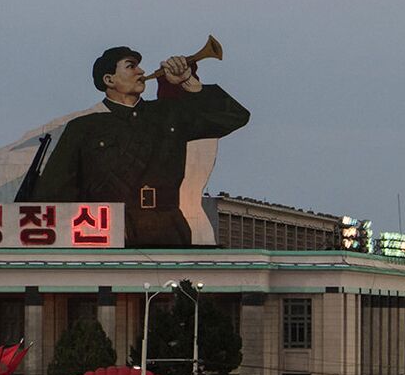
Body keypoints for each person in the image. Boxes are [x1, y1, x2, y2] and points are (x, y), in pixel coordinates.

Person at [30, 46, 251, 247]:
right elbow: (52, 192)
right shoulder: (83, 128)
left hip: (167, 228)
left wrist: (190, 84)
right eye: (130, 66)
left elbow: (235, 117)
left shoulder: (167, 114)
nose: (141, 71)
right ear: (109, 79)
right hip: (105, 232)